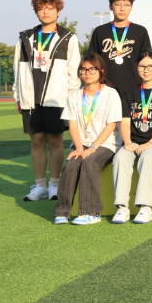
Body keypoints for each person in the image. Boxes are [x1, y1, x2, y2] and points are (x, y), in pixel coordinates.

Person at [13, 0, 80, 201]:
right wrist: (18, 95)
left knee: (56, 141)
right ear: (36, 12)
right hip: (30, 97)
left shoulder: (68, 37)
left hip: (56, 98)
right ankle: (40, 185)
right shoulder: (25, 37)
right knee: (37, 141)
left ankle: (55, 185)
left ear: (58, 12)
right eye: (41, 8)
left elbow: (74, 71)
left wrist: (71, 98)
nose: (46, 12)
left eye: (50, 8)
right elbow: (17, 68)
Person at [53, 54, 123, 225]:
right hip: (81, 144)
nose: (87, 73)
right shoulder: (74, 95)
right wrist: (78, 148)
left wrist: (93, 148)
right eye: (83, 69)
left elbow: (111, 125)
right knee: (71, 164)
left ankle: (91, 213)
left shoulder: (111, 94)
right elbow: (72, 125)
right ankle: (62, 212)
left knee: (90, 162)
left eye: (92, 69)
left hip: (106, 144)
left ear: (101, 71)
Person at [111, 49, 152, 224]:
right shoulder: (128, 93)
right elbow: (125, 122)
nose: (146, 70)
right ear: (136, 67)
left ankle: (145, 207)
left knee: (148, 157)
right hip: (133, 141)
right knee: (120, 157)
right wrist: (127, 142)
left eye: (151, 66)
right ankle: (122, 207)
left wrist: (150, 143)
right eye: (142, 66)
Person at [88, 0, 152, 95]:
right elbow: (92, 60)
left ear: (131, 7)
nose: (122, 8)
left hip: (134, 87)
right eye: (117, 4)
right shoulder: (100, 31)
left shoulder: (140, 31)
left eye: (126, 5)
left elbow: (147, 60)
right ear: (110, 6)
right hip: (105, 87)